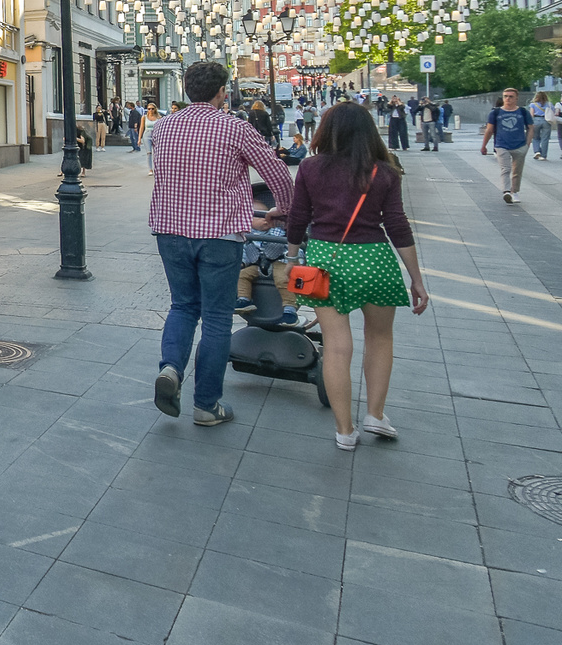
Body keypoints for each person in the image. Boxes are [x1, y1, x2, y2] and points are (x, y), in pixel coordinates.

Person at [148, 61, 295, 426]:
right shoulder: (235, 128)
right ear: (220, 92)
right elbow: (276, 171)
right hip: (220, 234)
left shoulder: (164, 126)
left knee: (183, 306)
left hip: (170, 229)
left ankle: (171, 368)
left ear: (187, 90)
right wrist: (286, 210)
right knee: (215, 317)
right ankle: (206, 404)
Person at [287, 102, 430, 450]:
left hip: (325, 262)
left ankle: (344, 430)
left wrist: (291, 258)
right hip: (374, 260)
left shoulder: (310, 168)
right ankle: (376, 415)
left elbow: (298, 216)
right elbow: (397, 224)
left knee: (337, 346)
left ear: (327, 131)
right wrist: (416, 279)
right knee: (380, 338)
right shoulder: (385, 172)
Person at [481, 87, 535, 204]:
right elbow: (489, 130)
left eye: (511, 96)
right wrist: (484, 145)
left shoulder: (523, 112)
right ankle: (506, 191)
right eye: (505, 96)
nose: (508, 99)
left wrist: (527, 144)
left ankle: (514, 191)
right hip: (502, 145)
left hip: (520, 145)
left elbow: (531, 128)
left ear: (516, 98)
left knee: (517, 171)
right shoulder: (495, 112)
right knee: (505, 169)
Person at [532, 91, 554, 161]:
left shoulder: (533, 104)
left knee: (535, 137)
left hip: (536, 121)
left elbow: (531, 115)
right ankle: (543, 155)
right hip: (546, 121)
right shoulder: (549, 104)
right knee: (545, 139)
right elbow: (553, 112)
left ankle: (537, 151)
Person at [141, 102, 162, 174]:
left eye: (152, 109)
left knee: (157, 153)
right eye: (149, 109)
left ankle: (157, 168)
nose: (150, 110)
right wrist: (139, 139)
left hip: (156, 135)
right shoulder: (144, 117)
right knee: (149, 152)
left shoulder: (159, 117)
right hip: (147, 135)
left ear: (155, 109)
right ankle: (150, 169)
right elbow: (141, 128)